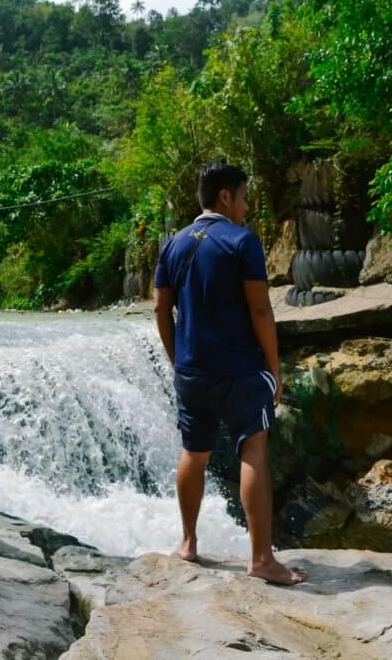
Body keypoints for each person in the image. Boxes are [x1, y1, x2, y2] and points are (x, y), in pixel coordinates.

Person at [153, 160, 305, 585]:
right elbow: (259, 307)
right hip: (238, 371)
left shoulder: (173, 244)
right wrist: (273, 368)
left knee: (194, 453)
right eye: (243, 196)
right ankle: (261, 560)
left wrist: (176, 357)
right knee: (253, 450)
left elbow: (161, 309)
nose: (247, 204)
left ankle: (187, 544)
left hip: (192, 372)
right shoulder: (242, 242)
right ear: (225, 196)